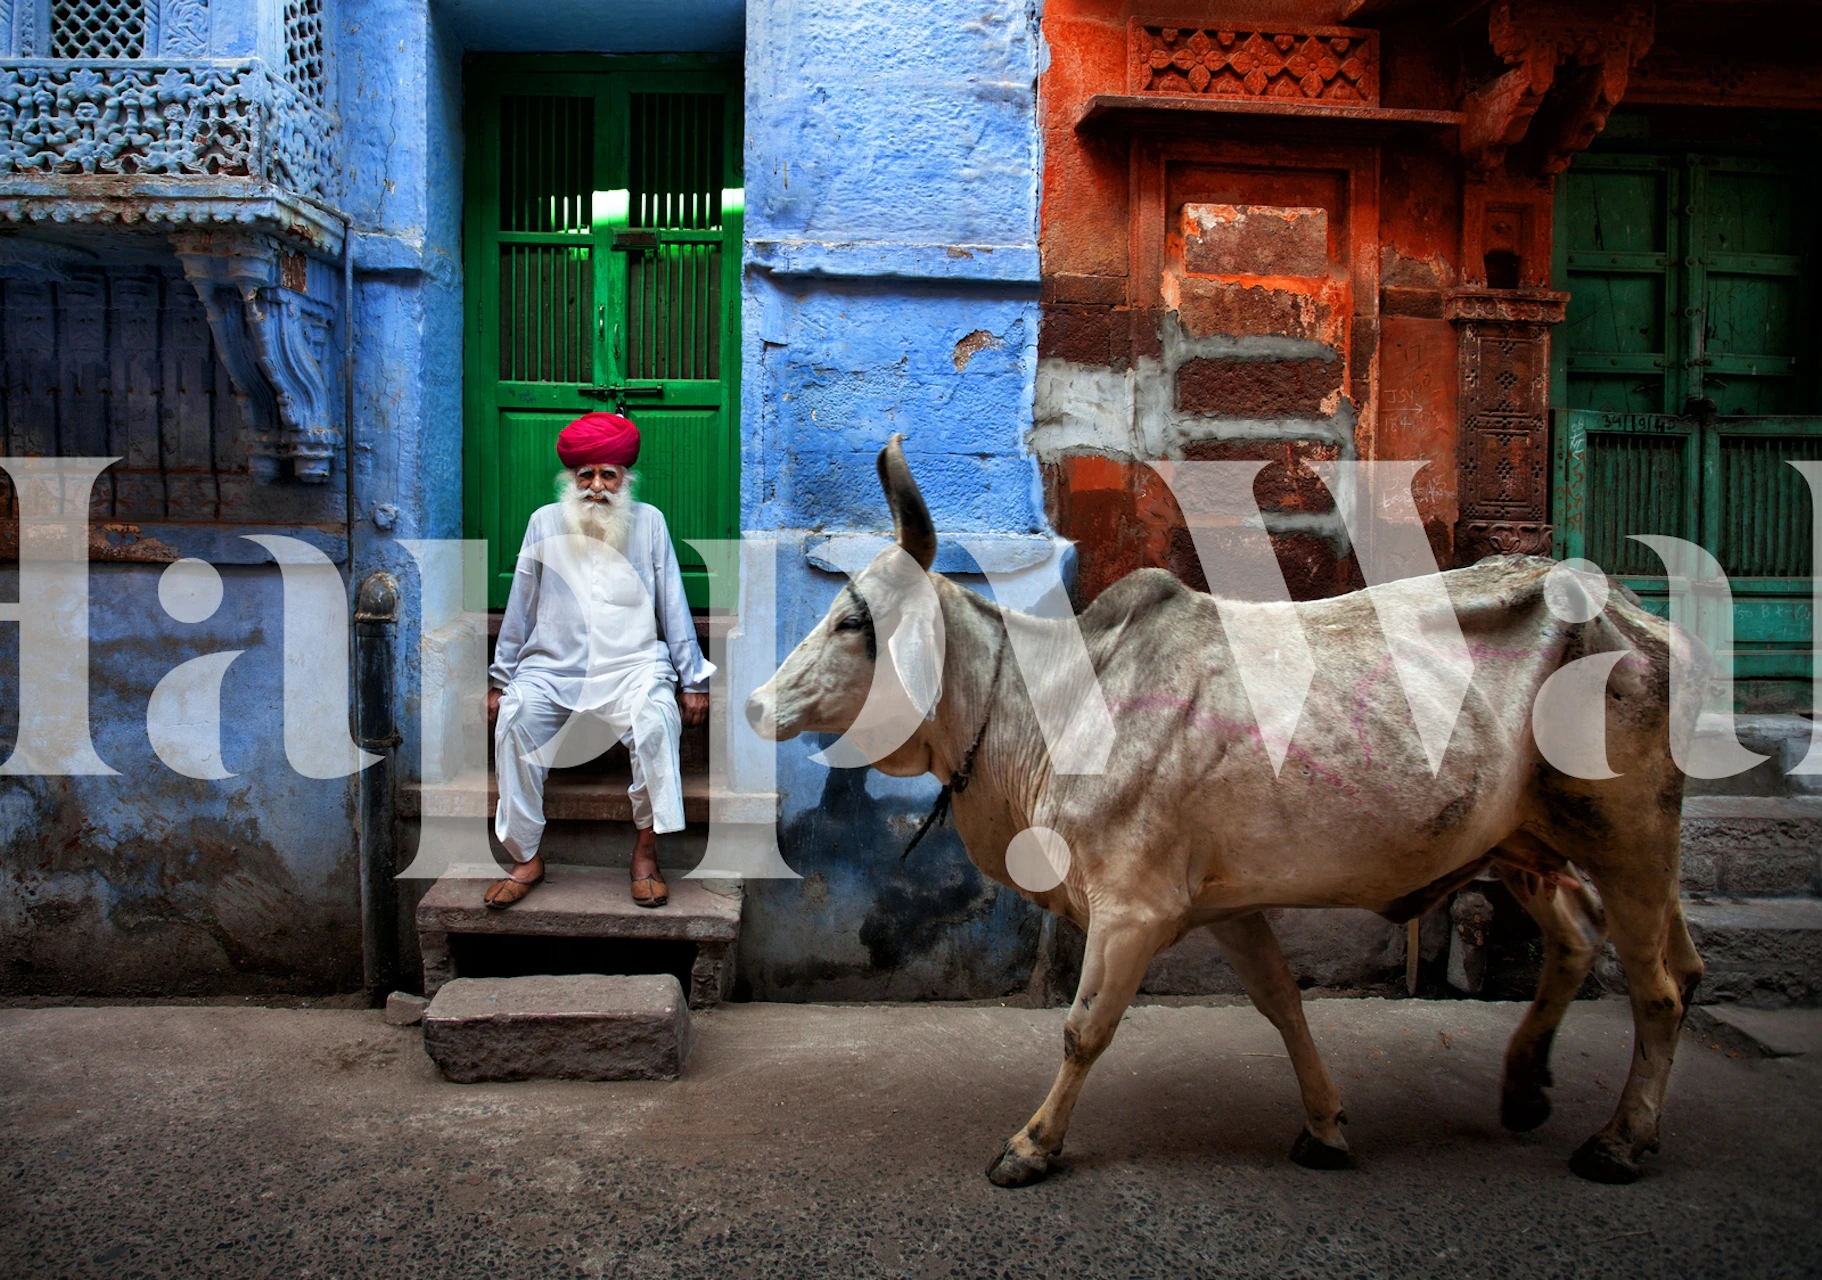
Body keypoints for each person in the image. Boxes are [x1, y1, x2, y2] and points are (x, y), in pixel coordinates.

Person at [483, 411, 712, 909]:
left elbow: (672, 601)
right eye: (585, 475)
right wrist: (501, 679)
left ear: (625, 479)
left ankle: (645, 854)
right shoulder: (544, 522)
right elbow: (521, 603)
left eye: (608, 475)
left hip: (634, 665)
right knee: (515, 718)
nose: (596, 487)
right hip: (552, 665)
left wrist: (693, 680)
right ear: (571, 479)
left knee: (656, 718)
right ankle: (526, 857)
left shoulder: (649, 523)